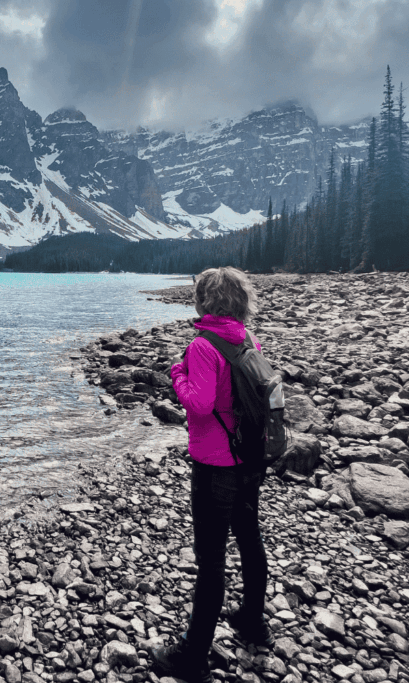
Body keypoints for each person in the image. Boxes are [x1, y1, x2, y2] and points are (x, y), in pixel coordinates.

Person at [151, 267, 273, 683]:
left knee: (211, 560)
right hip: (249, 460)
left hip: (216, 465)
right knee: (250, 538)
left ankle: (192, 654)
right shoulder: (249, 339)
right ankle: (253, 622)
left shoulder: (204, 346)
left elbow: (199, 405)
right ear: (240, 300)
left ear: (205, 300)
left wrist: (177, 374)